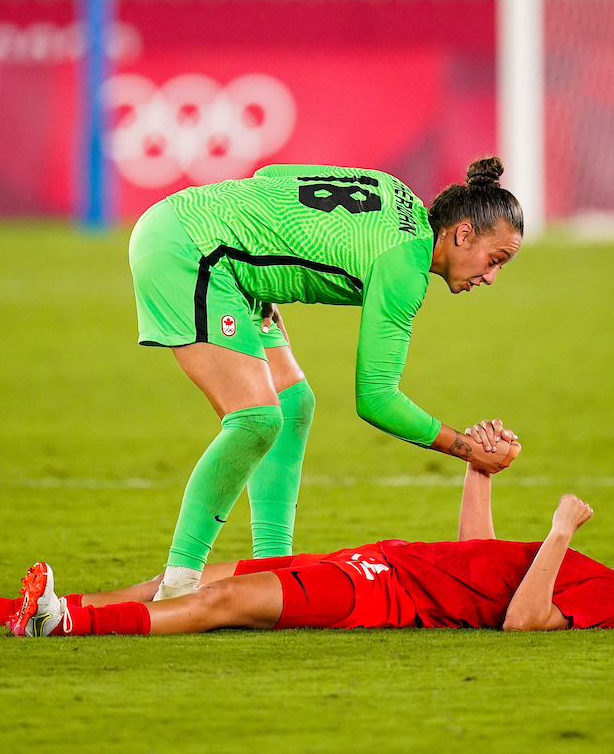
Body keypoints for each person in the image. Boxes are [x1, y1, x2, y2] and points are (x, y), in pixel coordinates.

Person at [124, 159, 524, 600]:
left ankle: (270, 566)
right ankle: (179, 584)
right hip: (190, 251)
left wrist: (261, 271)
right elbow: (376, 399)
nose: (491, 276)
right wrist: (468, 450)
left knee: (293, 402)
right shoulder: (404, 270)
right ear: (463, 233)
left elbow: (272, 176)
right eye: (495, 259)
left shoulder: (396, 190)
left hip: (205, 237)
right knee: (255, 418)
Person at [0, 425, 614, 636]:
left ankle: (62, 621)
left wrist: (560, 528)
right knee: (197, 581)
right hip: (381, 565)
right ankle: (8, 609)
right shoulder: (598, 579)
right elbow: (479, 564)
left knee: (222, 602)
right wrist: (477, 476)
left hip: (379, 597)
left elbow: (524, 622)